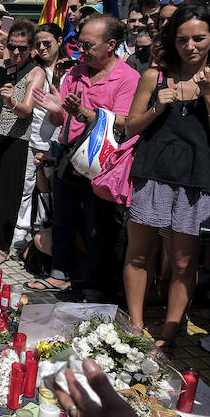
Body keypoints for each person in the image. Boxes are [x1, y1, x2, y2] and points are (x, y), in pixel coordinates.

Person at [124, 4, 210, 352]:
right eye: (183, 39)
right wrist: (157, 107)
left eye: (199, 38)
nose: (191, 46)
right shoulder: (155, 76)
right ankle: (136, 325)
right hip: (152, 173)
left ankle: (169, 334)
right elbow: (131, 125)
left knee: (184, 263)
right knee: (139, 254)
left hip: (197, 182)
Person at [28, 16, 140, 298]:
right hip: (69, 154)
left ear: (111, 45)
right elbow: (59, 118)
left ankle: (94, 283)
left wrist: (85, 114)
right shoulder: (74, 73)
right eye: (79, 44)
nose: (81, 50)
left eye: (88, 45)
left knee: (97, 225)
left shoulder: (128, 78)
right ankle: (59, 274)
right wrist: (56, 110)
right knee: (63, 217)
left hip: (103, 163)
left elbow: (124, 122)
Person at [0, 18, 46, 264]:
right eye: (12, 46)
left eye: (22, 48)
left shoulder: (36, 72)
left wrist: (11, 100)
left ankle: (2, 246)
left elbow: (26, 110)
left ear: (31, 48)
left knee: (7, 192)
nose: (16, 52)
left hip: (15, 137)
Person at [9, 23, 66, 251]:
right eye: (38, 44)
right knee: (27, 185)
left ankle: (46, 229)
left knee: (52, 189)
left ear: (60, 41)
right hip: (32, 136)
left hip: (59, 138)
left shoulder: (71, 69)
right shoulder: (33, 68)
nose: (42, 48)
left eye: (47, 43)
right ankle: (22, 229)